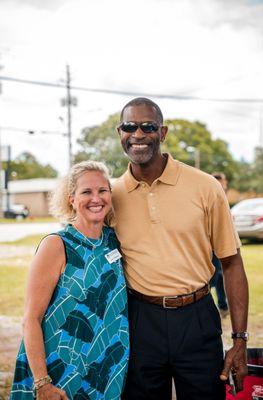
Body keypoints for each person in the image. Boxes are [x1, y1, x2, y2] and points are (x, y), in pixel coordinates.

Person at [111, 98, 248, 400]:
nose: (138, 134)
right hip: (139, 321)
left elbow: (232, 263)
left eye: (148, 126)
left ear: (163, 132)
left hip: (197, 318)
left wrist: (239, 339)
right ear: (119, 131)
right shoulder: (111, 195)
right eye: (129, 126)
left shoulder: (204, 186)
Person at [10, 161, 129, 400]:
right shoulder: (57, 244)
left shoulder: (114, 240)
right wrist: (43, 383)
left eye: (102, 191)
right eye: (86, 192)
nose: (96, 198)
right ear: (71, 199)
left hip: (107, 370)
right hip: (60, 374)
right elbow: (31, 319)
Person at [210, 172, 229, 318]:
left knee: (220, 276)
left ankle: (223, 306)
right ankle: (213, 305)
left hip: (220, 244)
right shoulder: (213, 193)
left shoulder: (222, 195)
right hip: (210, 246)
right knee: (214, 276)